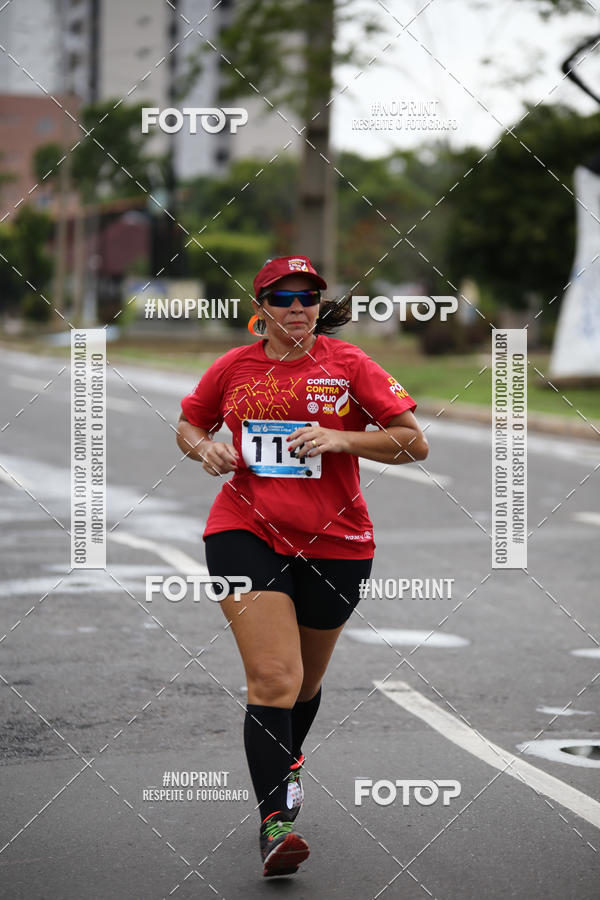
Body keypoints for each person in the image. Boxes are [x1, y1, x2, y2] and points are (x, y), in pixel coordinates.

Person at [176, 255, 428, 877]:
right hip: (244, 531)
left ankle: (286, 763)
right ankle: (276, 824)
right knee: (273, 679)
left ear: (319, 306)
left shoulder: (349, 367)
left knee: (304, 687)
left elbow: (414, 441)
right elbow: (188, 421)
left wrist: (342, 438)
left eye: (308, 297)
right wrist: (205, 447)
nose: (297, 307)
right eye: (283, 297)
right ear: (259, 306)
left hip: (337, 544)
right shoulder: (234, 367)